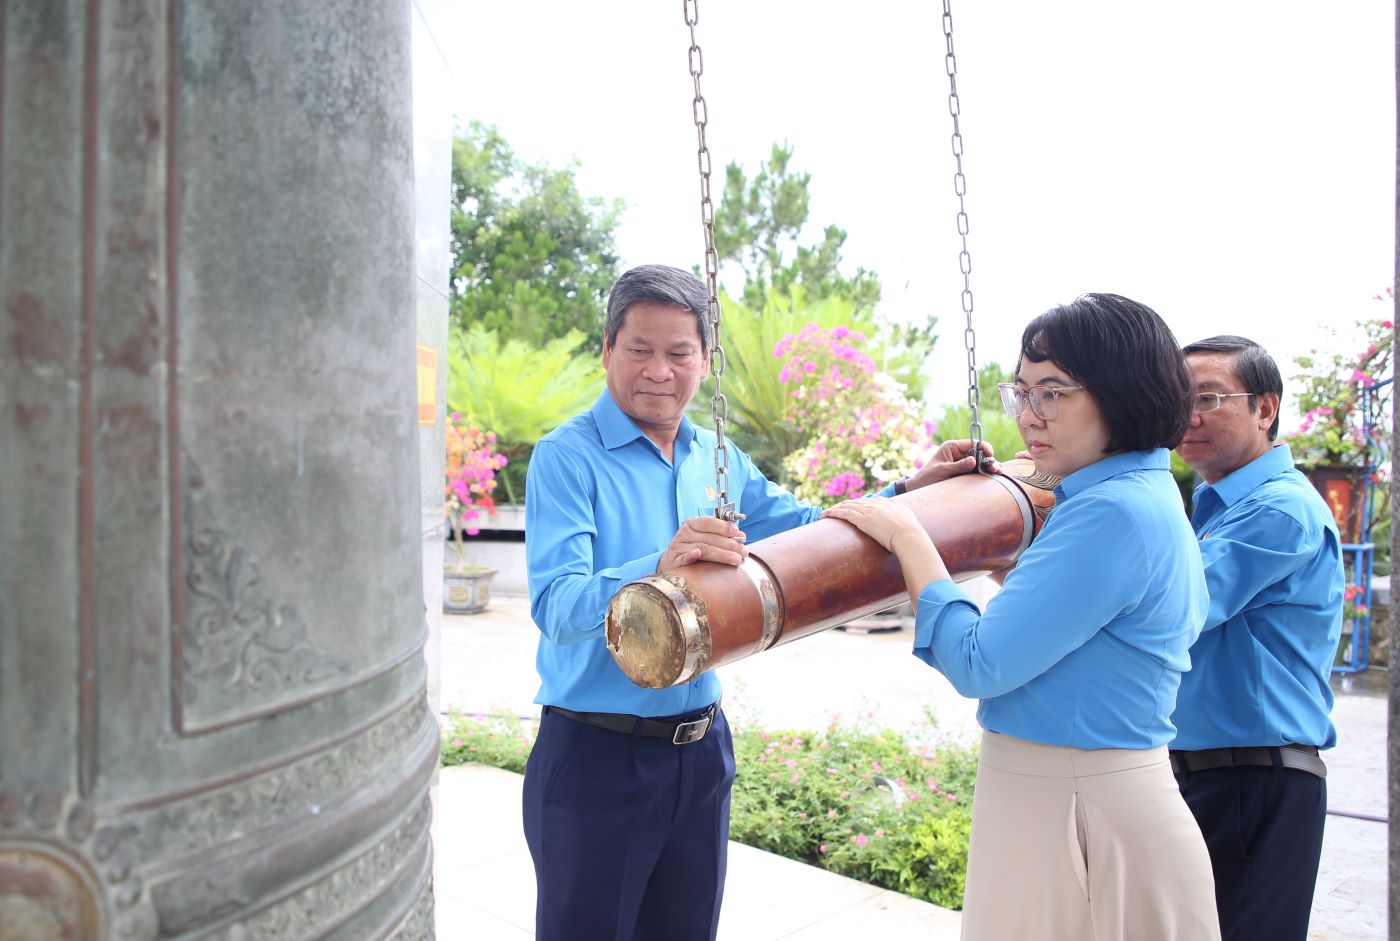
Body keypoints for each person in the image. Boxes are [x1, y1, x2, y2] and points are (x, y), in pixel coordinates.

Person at [522, 263, 984, 941]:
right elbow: (557, 607)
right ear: (606, 352)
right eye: (639, 350)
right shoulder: (566, 457)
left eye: (679, 353)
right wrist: (659, 563)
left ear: (704, 362)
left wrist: (911, 493)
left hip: (701, 752)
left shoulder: (718, 457)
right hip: (596, 755)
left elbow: (811, 531)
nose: (659, 370)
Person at [824, 293, 1221, 940]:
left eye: (1054, 393)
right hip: (1083, 789)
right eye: (1023, 393)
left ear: (1121, 394)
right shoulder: (1138, 494)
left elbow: (982, 661)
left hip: (1073, 797)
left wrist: (911, 536)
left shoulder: (1109, 511)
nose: (1030, 416)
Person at [1169, 335, 1344, 941]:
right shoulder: (1215, 507)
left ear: (1265, 409)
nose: (1189, 416)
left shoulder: (1278, 509)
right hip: (1215, 774)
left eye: (1210, 398)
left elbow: (1170, 609)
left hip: (1253, 780)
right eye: (1178, 397)